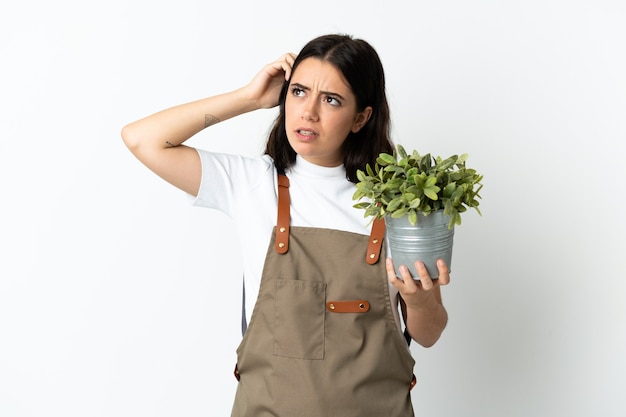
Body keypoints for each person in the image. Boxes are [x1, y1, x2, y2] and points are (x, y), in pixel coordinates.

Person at [122, 33, 449, 417]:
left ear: (362, 117)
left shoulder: (398, 203)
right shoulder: (250, 184)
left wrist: (418, 298)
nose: (308, 112)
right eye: (298, 92)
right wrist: (249, 98)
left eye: (331, 100)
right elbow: (142, 139)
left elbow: (428, 334)